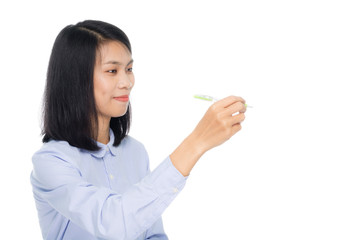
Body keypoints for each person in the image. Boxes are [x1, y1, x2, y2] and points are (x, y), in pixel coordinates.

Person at [30, 20, 247, 240]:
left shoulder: (135, 152)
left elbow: (151, 234)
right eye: (112, 70)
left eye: (129, 69)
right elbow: (113, 224)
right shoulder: (51, 162)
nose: (127, 82)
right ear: (76, 79)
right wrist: (197, 142)